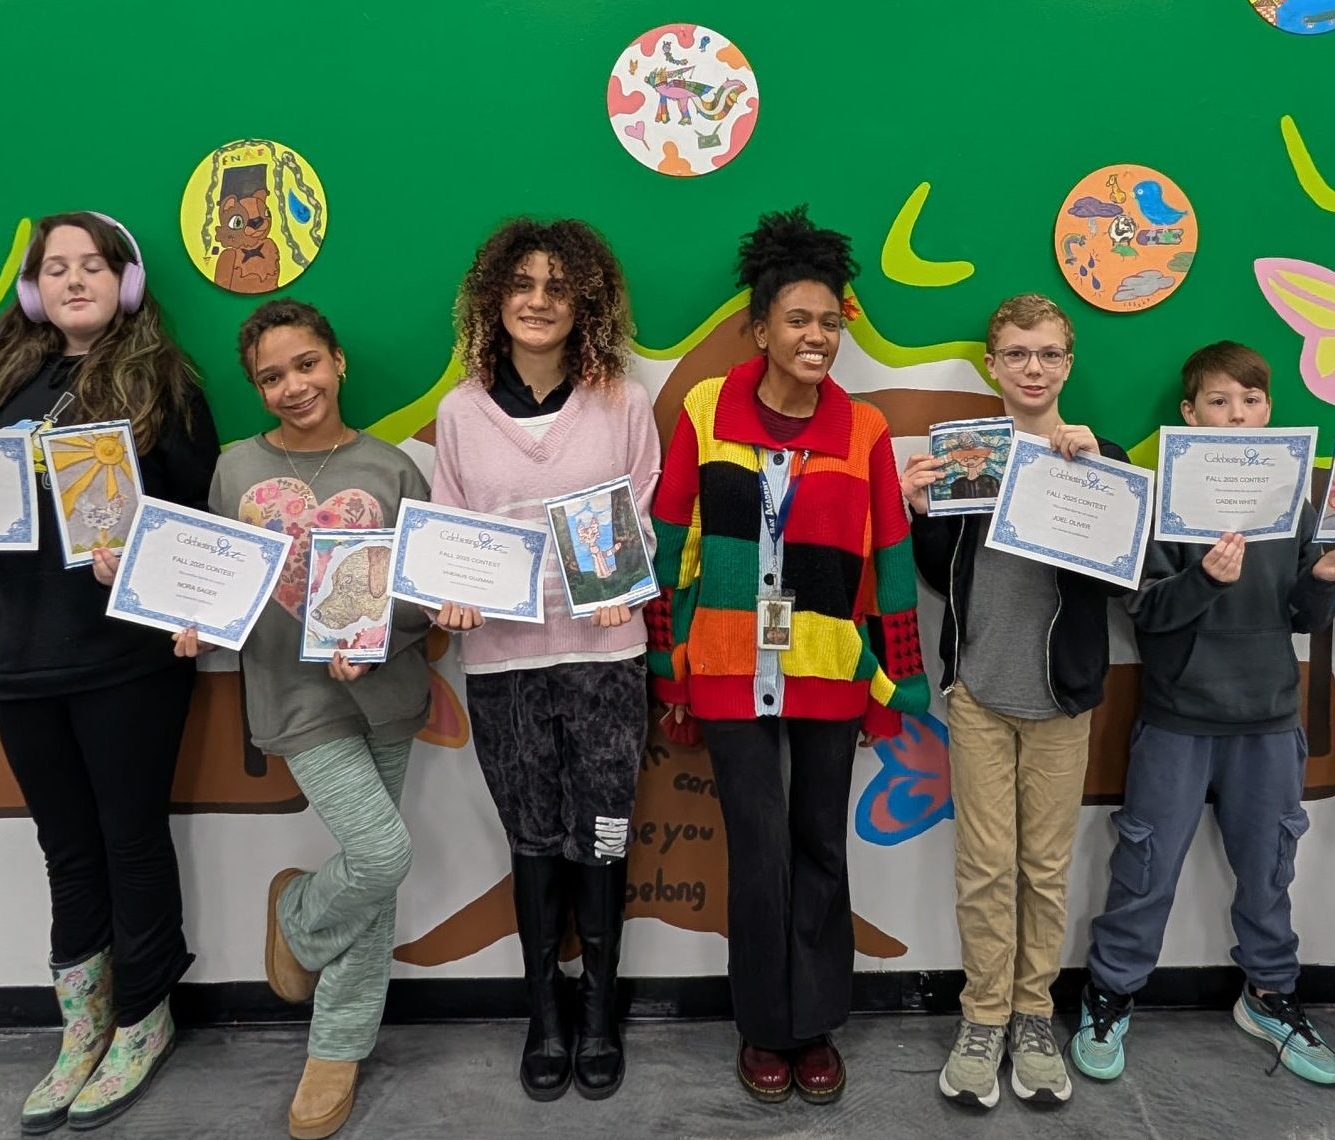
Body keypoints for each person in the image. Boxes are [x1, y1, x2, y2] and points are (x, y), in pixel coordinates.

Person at [0, 211, 218, 1133]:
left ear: (126, 283)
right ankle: (81, 1028)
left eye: (93, 265)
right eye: (55, 268)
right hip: (18, 652)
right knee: (65, 846)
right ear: (31, 290)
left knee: (131, 837)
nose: (74, 280)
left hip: (126, 654)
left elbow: (199, 521)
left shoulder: (166, 383)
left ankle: (143, 1018)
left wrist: (141, 553)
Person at [647, 205, 931, 1105]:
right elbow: (670, 544)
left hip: (829, 672)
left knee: (820, 846)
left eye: (830, 322)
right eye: (798, 320)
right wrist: (669, 663)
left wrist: (897, 676)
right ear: (761, 328)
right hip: (727, 667)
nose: (817, 336)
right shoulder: (706, 410)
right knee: (759, 851)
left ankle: (816, 1025)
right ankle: (764, 1028)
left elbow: (889, 561)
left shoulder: (865, 430)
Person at [184, 299, 431, 1139]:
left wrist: (385, 633)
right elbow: (219, 581)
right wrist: (191, 618)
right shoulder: (233, 470)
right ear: (256, 389)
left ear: (338, 361)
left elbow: (420, 597)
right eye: (271, 377)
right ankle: (296, 917)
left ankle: (337, 1048)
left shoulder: (393, 469)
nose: (293, 386)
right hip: (295, 701)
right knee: (381, 854)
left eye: (306, 364)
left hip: (386, 695)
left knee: (376, 877)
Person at [430, 218, 660, 1101]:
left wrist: (626, 579)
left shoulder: (623, 402)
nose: (537, 301)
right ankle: (545, 1013)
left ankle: (598, 1012)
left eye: (557, 288)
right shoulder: (461, 412)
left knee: (601, 832)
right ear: (494, 297)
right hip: (503, 662)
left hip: (606, 655)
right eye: (521, 285)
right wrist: (453, 593)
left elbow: (643, 517)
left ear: (585, 304)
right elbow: (451, 531)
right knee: (532, 836)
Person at [1070, 341, 1335, 1086]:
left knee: (1270, 867)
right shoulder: (1161, 500)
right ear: (1190, 414)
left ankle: (1270, 994)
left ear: (1269, 410)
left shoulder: (1293, 502)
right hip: (1178, 718)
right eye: (1219, 401)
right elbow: (1147, 612)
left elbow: (1303, 615)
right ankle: (1110, 991)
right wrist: (1205, 581)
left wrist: (1322, 579)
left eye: (1251, 400)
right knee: (1145, 866)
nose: (1237, 414)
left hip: (1268, 718)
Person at [902, 293, 1127, 1108]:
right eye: (1018, 354)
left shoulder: (1100, 453)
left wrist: (1095, 476)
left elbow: (1117, 580)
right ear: (992, 365)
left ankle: (1033, 1015)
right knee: (984, 869)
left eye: (1050, 354)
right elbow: (941, 576)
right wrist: (922, 514)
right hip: (980, 693)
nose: (1034, 368)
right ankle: (983, 1018)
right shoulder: (969, 454)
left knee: (1045, 869)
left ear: (1069, 364)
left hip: (1061, 699)